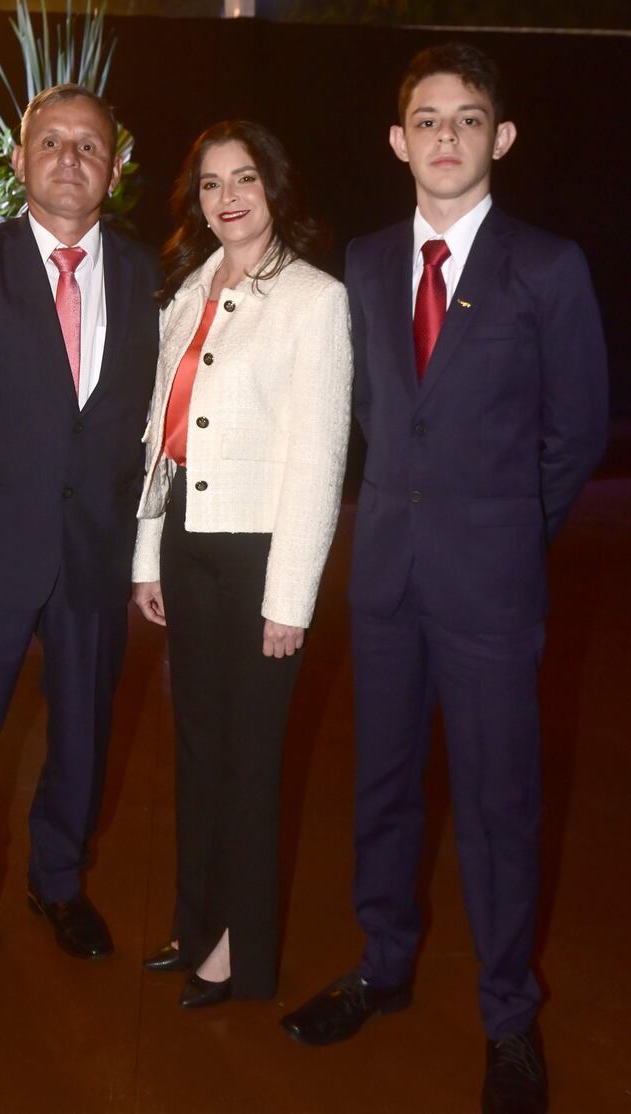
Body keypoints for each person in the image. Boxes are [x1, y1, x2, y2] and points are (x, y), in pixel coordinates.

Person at [280, 42, 607, 1114]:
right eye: (425, 119)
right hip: (383, 583)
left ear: (499, 137)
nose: (445, 138)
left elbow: (575, 434)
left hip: (488, 592)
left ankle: (507, 1015)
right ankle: (383, 964)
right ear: (395, 140)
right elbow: (365, 416)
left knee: (498, 807)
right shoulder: (366, 263)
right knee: (380, 790)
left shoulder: (548, 267)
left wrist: (506, 533)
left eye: (467, 119)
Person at [0, 84, 159, 988]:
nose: (70, 158)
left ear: (115, 169)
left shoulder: (140, 273)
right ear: (20, 160)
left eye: (90, 145)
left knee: (84, 733)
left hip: (93, 553)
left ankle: (58, 881)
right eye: (52, 141)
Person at [132, 120, 352, 1007]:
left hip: (262, 556)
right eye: (213, 183)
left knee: (250, 760)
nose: (229, 198)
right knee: (196, 750)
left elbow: (319, 459)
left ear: (275, 190)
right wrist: (147, 554)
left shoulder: (315, 299)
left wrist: (290, 597)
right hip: (187, 541)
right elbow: (163, 437)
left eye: (246, 180)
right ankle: (196, 920)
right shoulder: (185, 290)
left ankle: (239, 952)